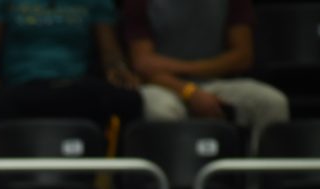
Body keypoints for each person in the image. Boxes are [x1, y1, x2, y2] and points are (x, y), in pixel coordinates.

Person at [123, 0, 290, 151]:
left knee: (272, 103)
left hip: (215, 82)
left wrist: (191, 71)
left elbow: (243, 56)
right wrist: (190, 92)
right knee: (162, 111)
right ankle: (174, 182)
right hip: (161, 85)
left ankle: (259, 183)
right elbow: (143, 64)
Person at [0, 0, 142, 132]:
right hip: (21, 85)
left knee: (130, 100)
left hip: (76, 86)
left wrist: (118, 68)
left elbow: (110, 52)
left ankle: (116, 177)